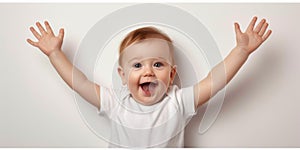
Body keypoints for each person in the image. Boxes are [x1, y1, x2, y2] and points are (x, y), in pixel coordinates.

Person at [27, 16, 272, 147]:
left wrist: (242, 51)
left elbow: (214, 80)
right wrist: (55, 54)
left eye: (158, 64)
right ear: (123, 76)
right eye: (137, 65)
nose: (149, 72)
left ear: (172, 74)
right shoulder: (116, 101)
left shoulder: (178, 101)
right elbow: (78, 83)